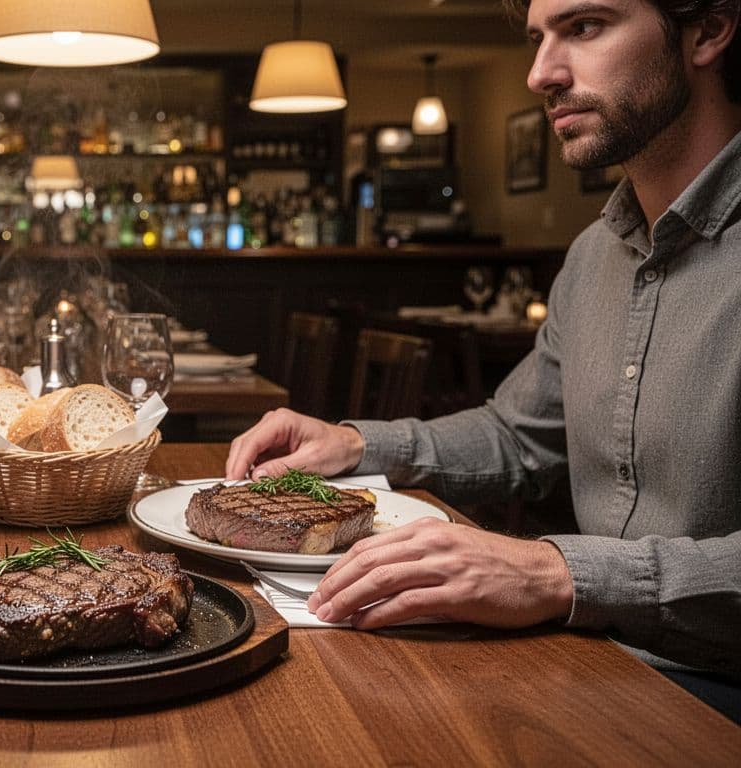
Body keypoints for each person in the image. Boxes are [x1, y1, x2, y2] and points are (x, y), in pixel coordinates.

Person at [227, 0, 741, 704]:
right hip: (591, 661)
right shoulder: (595, 254)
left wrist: (552, 573)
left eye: (585, 26)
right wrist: (351, 444)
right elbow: (516, 436)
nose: (540, 73)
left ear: (708, 28)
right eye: (537, 38)